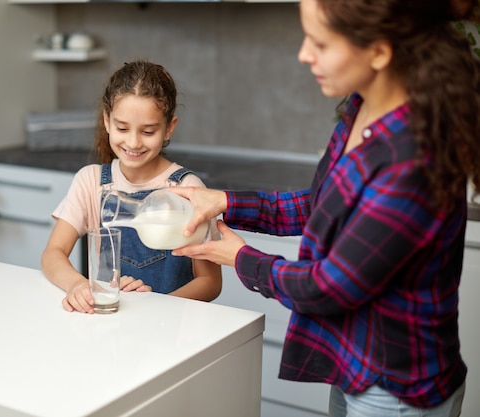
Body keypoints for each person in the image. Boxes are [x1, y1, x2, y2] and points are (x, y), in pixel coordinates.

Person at [171, 0, 480, 415]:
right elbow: (322, 204)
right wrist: (227, 202)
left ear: (378, 51)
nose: (304, 54)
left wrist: (240, 258)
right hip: (353, 363)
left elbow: (329, 286)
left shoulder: (414, 158)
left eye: (320, 42)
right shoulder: (362, 109)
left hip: (396, 386)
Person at [42, 60, 222, 314]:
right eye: (122, 128)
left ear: (169, 128)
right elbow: (53, 254)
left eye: (148, 131)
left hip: (170, 328)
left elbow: (210, 282)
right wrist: (80, 287)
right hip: (111, 327)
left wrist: (154, 307)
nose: (133, 142)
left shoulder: (187, 190)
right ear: (107, 121)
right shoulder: (91, 182)